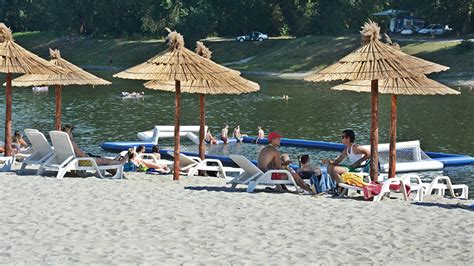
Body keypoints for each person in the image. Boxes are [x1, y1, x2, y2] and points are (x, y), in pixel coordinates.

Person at [61, 124, 128, 166]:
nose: (72, 134)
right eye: (71, 133)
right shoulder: (71, 143)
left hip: (71, 160)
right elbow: (80, 153)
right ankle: (118, 163)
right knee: (102, 160)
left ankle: (114, 161)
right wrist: (86, 156)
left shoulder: (63, 142)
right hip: (81, 161)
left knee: (99, 157)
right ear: (68, 134)